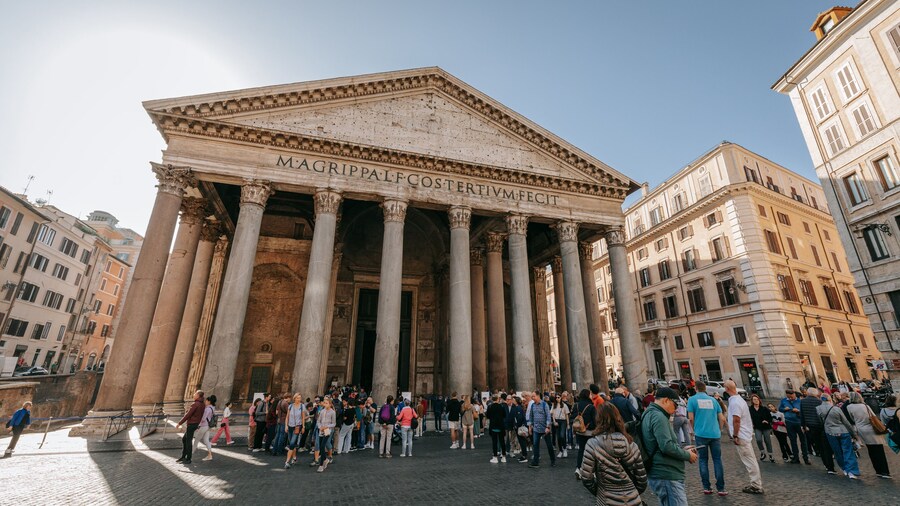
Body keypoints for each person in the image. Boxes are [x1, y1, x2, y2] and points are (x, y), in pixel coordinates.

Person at [579, 403, 647, 505]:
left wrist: (599, 491)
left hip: (607, 500)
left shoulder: (593, 445)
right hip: (633, 500)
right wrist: (632, 491)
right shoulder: (632, 445)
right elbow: (642, 479)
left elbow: (586, 478)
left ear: (598, 419)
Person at [642, 387, 697, 506]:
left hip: (662, 473)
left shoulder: (649, 413)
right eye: (675, 404)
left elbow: (662, 443)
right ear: (666, 400)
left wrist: (681, 449)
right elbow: (666, 446)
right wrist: (687, 455)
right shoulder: (659, 416)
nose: (676, 409)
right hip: (666, 474)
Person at [686, 381, 726, 496]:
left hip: (701, 434)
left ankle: (707, 487)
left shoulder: (692, 400)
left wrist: (694, 430)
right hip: (715, 434)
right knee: (717, 460)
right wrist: (719, 429)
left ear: (695, 388)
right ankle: (721, 488)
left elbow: (691, 418)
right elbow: (722, 418)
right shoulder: (713, 400)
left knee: (703, 460)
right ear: (705, 389)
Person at [725, 381, 763, 494]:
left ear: (727, 389)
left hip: (741, 435)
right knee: (750, 460)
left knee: (749, 461)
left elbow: (736, 420)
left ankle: (756, 485)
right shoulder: (739, 400)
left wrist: (735, 435)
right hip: (744, 434)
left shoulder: (735, 402)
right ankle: (756, 484)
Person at [846, 391, 891, 478]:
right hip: (871, 428)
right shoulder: (865, 406)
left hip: (861, 429)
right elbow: (873, 416)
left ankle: (878, 470)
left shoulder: (849, 407)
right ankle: (884, 471)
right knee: (879, 450)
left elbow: (852, 418)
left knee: (871, 450)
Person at [817, 393, 860, 479]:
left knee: (837, 452)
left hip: (830, 432)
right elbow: (845, 422)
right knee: (848, 451)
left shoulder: (818, 409)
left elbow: (821, 422)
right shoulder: (836, 408)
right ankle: (852, 471)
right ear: (829, 399)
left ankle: (844, 469)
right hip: (843, 431)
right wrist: (853, 433)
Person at [777, 389, 808, 464]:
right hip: (789, 422)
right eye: (789, 397)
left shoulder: (800, 401)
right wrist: (784, 409)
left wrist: (798, 411)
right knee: (793, 440)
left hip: (799, 422)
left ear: (794, 394)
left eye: (792, 397)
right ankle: (796, 457)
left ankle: (806, 458)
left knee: (803, 440)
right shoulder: (784, 400)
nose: (790, 398)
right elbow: (780, 409)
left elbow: (804, 411)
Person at [176, 390, 205, 464]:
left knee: (188, 441)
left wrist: (179, 423)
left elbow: (188, 415)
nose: (194, 395)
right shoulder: (202, 404)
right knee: (184, 439)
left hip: (192, 424)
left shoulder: (195, 404)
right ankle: (183, 456)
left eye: (195, 394)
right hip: (195, 424)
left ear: (198, 395)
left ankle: (188, 458)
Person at [573, 388, 598, 476]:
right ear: (588, 395)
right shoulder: (591, 407)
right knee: (592, 452)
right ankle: (593, 471)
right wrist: (590, 426)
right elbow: (595, 421)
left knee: (581, 450)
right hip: (589, 433)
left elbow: (573, 417)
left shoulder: (576, 405)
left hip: (579, 431)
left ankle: (578, 469)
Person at [528, 390, 555, 468]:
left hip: (545, 429)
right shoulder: (533, 405)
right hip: (536, 428)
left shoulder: (544, 404)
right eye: (532, 396)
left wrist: (548, 427)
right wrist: (530, 427)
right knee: (535, 445)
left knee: (549, 445)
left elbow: (548, 416)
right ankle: (535, 462)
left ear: (538, 396)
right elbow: (531, 417)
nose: (532, 398)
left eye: (533, 396)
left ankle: (553, 460)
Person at [311, 397, 336, 473]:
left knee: (322, 446)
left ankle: (321, 465)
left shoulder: (332, 412)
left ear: (330, 404)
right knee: (321, 447)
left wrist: (327, 426)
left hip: (327, 431)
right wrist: (320, 427)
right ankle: (325, 459)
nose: (325, 404)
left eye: (326, 403)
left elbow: (334, 423)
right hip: (321, 430)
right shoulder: (322, 411)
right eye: (324, 403)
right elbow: (318, 421)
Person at [748, 394, 774, 463]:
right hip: (757, 427)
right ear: (752, 401)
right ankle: (762, 452)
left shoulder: (764, 408)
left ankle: (770, 454)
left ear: (759, 400)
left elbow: (770, 418)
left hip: (766, 427)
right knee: (758, 439)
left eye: (757, 399)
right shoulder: (750, 409)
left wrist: (767, 421)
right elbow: (748, 418)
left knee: (767, 440)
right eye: (754, 400)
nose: (756, 401)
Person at [284, 393, 306, 469]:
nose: (299, 399)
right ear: (294, 398)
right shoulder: (290, 406)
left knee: (292, 444)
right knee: (291, 443)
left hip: (297, 426)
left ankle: (287, 462)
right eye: (297, 398)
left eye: (300, 398)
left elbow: (303, 417)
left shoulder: (302, 406)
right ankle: (294, 458)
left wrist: (303, 426)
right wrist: (286, 425)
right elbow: (287, 417)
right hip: (290, 426)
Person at [485, 393, 508, 463]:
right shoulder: (501, 406)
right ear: (498, 399)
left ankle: (495, 457)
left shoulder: (490, 407)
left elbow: (488, 416)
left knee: (494, 442)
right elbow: (504, 415)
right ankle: (504, 457)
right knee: (502, 442)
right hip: (501, 426)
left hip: (493, 426)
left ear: (492, 399)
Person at [193, 395, 216, 462]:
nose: (205, 402)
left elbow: (203, 419)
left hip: (204, 426)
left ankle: (190, 454)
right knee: (206, 440)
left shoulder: (207, 409)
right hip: (208, 426)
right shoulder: (212, 408)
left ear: (209, 401)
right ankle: (209, 455)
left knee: (196, 440)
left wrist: (198, 425)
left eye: (206, 400)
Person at [552, 394, 571, 458]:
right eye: (556, 397)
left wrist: (568, 424)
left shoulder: (564, 405)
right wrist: (554, 421)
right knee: (558, 437)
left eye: (558, 397)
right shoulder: (553, 405)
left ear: (561, 398)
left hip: (563, 421)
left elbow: (567, 415)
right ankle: (560, 450)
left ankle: (564, 449)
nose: (557, 398)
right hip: (557, 421)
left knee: (562, 435)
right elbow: (553, 414)